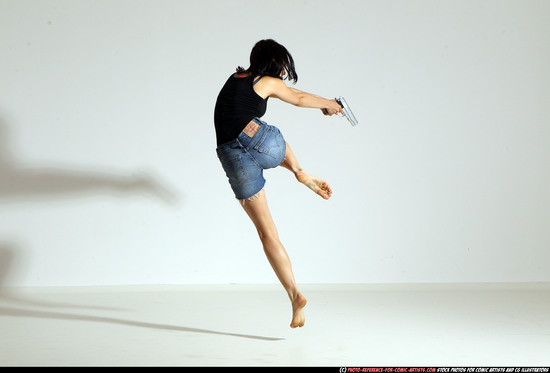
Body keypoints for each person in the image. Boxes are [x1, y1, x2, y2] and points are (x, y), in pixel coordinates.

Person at [214, 39, 343, 328]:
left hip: (232, 158)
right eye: (283, 63)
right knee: (266, 136)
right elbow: (296, 97)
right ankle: (299, 171)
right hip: (263, 144)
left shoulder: (235, 78)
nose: (284, 70)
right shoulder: (267, 81)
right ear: (274, 62)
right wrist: (329, 104)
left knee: (267, 234)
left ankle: (294, 295)